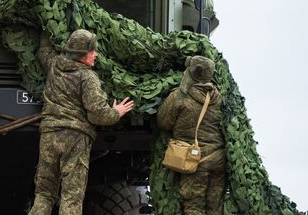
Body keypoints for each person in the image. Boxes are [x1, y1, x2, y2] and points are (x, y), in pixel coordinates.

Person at [28, 30, 135, 215]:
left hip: (49, 136)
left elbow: (43, 51)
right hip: (75, 139)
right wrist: (116, 112)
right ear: (82, 54)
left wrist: (45, 29)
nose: (96, 55)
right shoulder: (87, 78)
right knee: (71, 196)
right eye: (92, 51)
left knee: (44, 193)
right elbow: (98, 115)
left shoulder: (55, 65)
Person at [157, 56, 225, 215]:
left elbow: (163, 123)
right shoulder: (219, 97)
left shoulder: (179, 97)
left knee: (194, 207)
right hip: (218, 160)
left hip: (195, 161)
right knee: (215, 208)